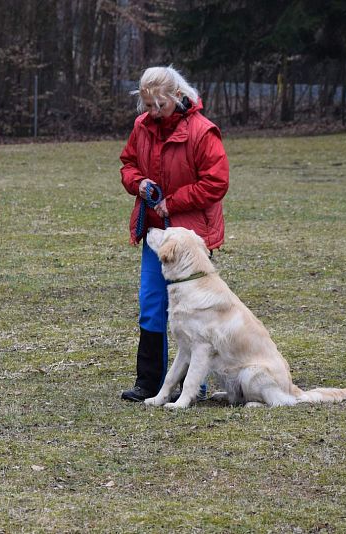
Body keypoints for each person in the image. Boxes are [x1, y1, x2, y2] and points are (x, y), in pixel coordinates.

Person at [119, 66, 230, 402]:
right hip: (155, 235)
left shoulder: (202, 131)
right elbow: (127, 164)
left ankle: (194, 386)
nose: (153, 112)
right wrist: (139, 183)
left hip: (192, 237)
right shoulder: (142, 127)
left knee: (194, 312)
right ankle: (149, 381)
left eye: (160, 105)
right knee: (151, 304)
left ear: (178, 97)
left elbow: (217, 182)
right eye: (148, 105)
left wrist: (174, 201)